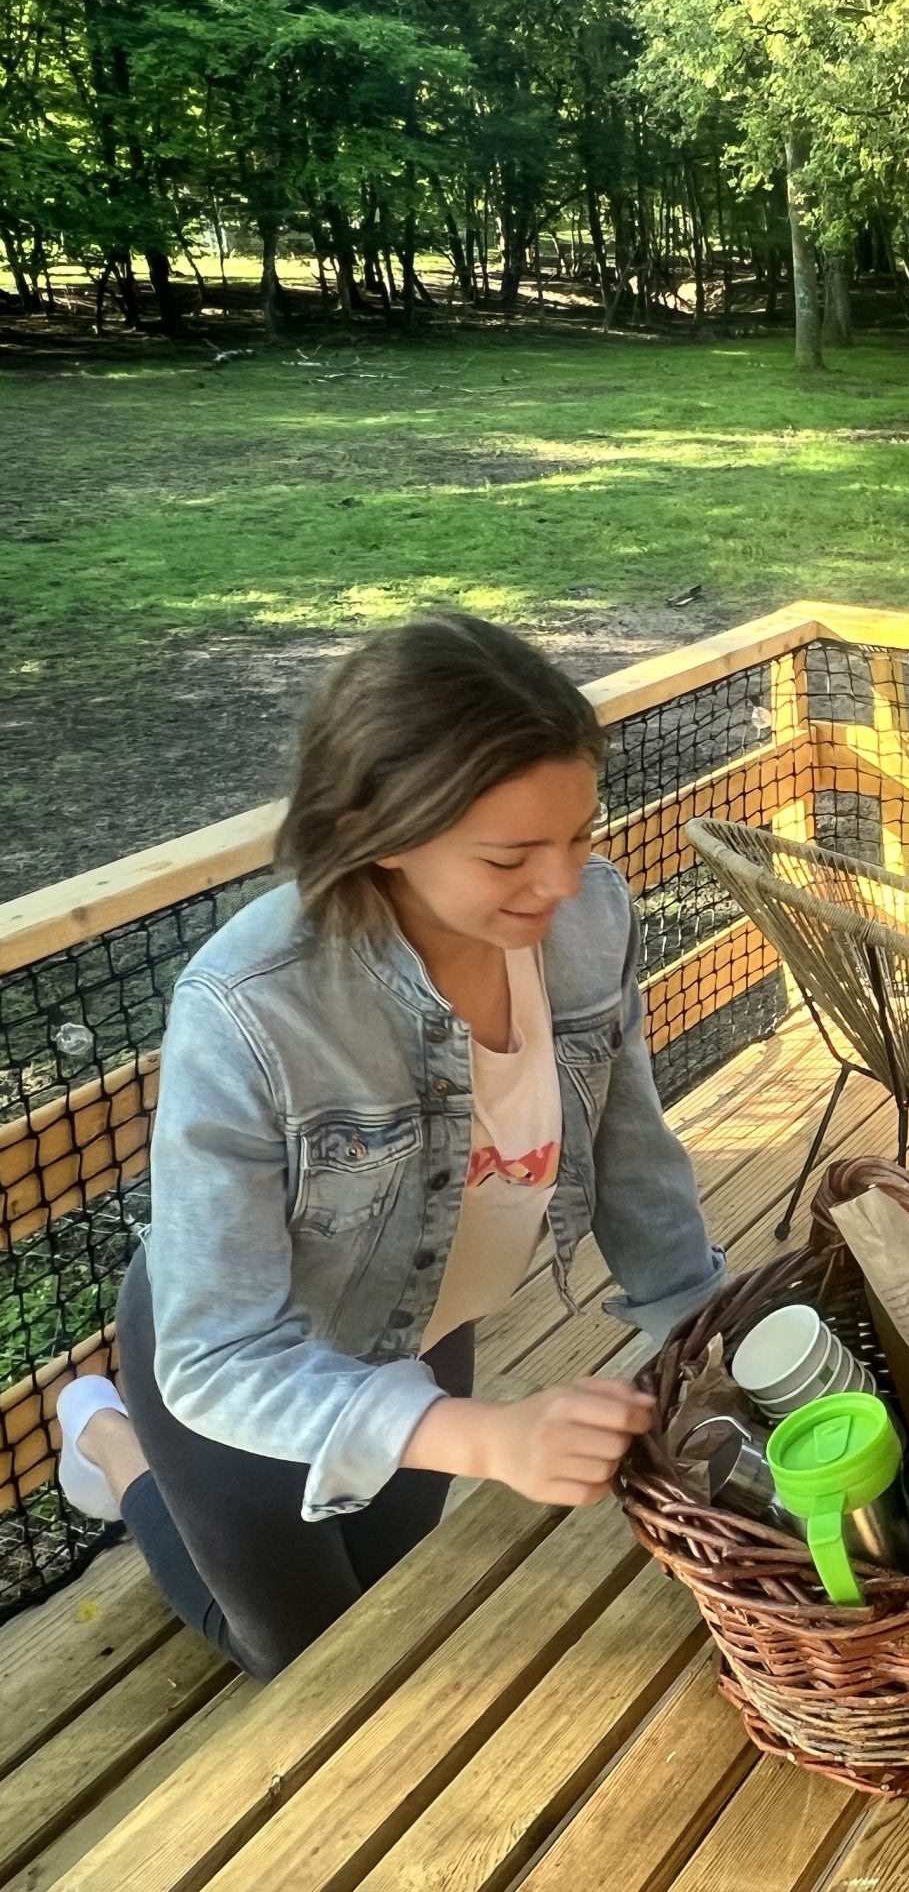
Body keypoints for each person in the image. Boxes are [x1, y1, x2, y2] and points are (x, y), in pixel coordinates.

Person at [49, 615, 725, 1680]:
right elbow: (218, 1352)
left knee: (385, 1600)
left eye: (581, 834)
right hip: (243, 1363)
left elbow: (630, 1151)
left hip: (418, 1333)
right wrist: (488, 1438)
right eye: (509, 855)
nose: (562, 885)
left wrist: (710, 1338)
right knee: (302, 1657)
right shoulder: (249, 1009)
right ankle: (110, 1443)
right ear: (377, 827)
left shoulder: (590, 917)